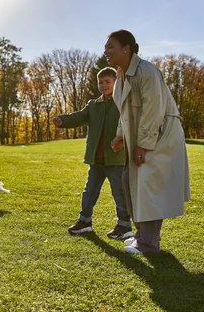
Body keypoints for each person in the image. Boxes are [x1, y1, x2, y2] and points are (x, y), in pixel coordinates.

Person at [105, 29, 190, 254]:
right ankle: (141, 235)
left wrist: (143, 144)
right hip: (143, 135)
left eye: (110, 46)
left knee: (147, 185)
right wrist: (120, 135)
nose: (106, 51)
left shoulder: (147, 71)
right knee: (128, 180)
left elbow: (154, 110)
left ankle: (149, 243)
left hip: (161, 134)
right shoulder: (121, 75)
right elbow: (125, 111)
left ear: (126, 48)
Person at [52, 67, 133, 240]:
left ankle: (124, 225)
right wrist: (63, 120)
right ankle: (85, 222)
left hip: (116, 158)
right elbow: (79, 117)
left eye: (107, 82)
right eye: (100, 82)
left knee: (119, 193)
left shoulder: (122, 103)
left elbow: (130, 126)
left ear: (116, 82)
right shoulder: (93, 105)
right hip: (96, 159)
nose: (103, 85)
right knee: (89, 191)